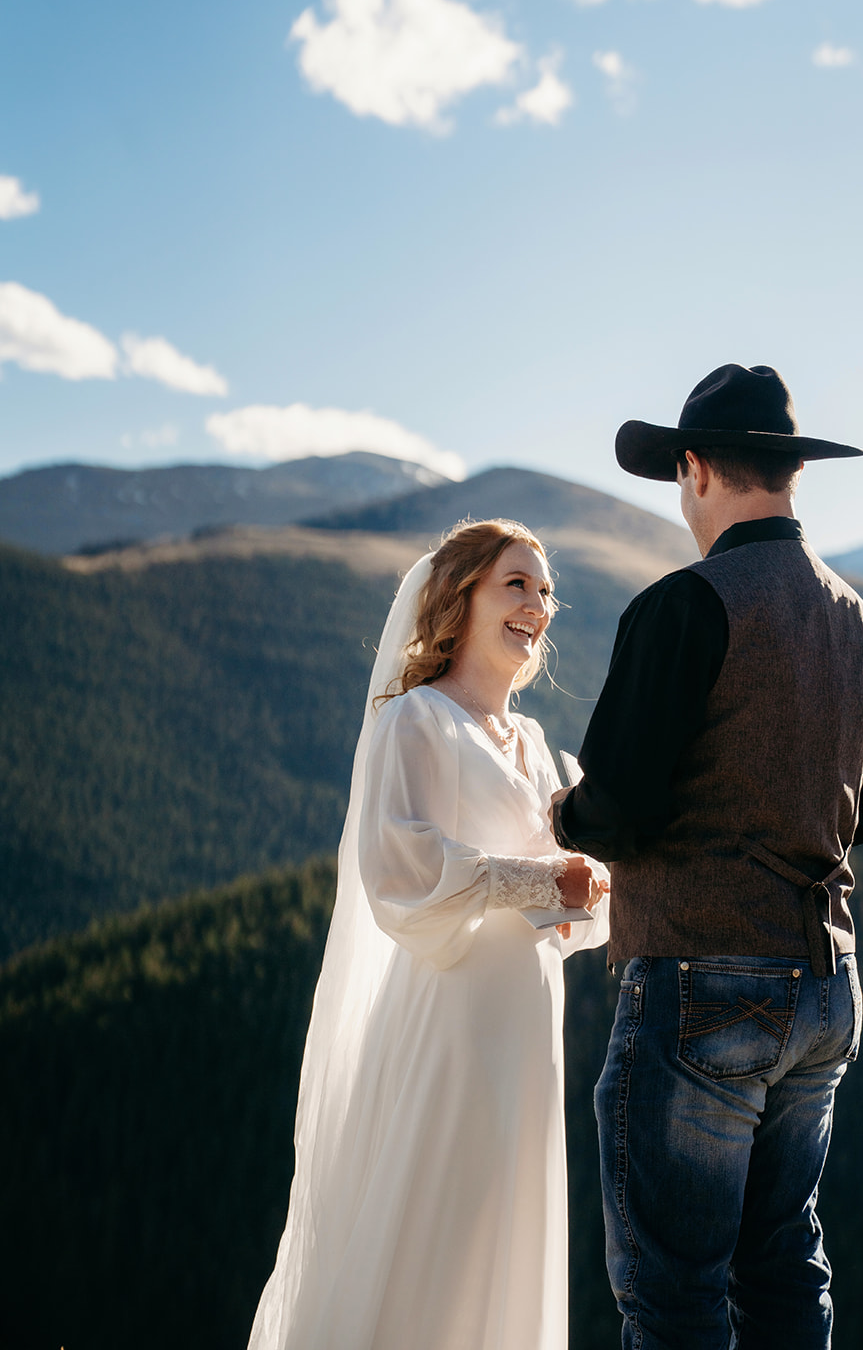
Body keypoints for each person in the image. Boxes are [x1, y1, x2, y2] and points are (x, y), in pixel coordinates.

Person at [552, 364, 863, 1350]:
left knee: (673, 1293)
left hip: (702, 980)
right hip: (826, 988)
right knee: (782, 1265)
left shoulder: (682, 605)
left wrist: (561, 813)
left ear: (694, 468)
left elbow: (617, 806)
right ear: (790, 473)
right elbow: (859, 816)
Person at [248, 519, 609, 1350]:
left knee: (500, 1228)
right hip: (448, 1020)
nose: (537, 605)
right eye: (515, 584)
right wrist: (543, 880)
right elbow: (400, 873)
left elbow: (568, 910)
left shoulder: (534, 747)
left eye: (545, 590)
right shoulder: (416, 719)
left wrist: (602, 884)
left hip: (526, 1024)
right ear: (461, 597)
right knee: (435, 1234)